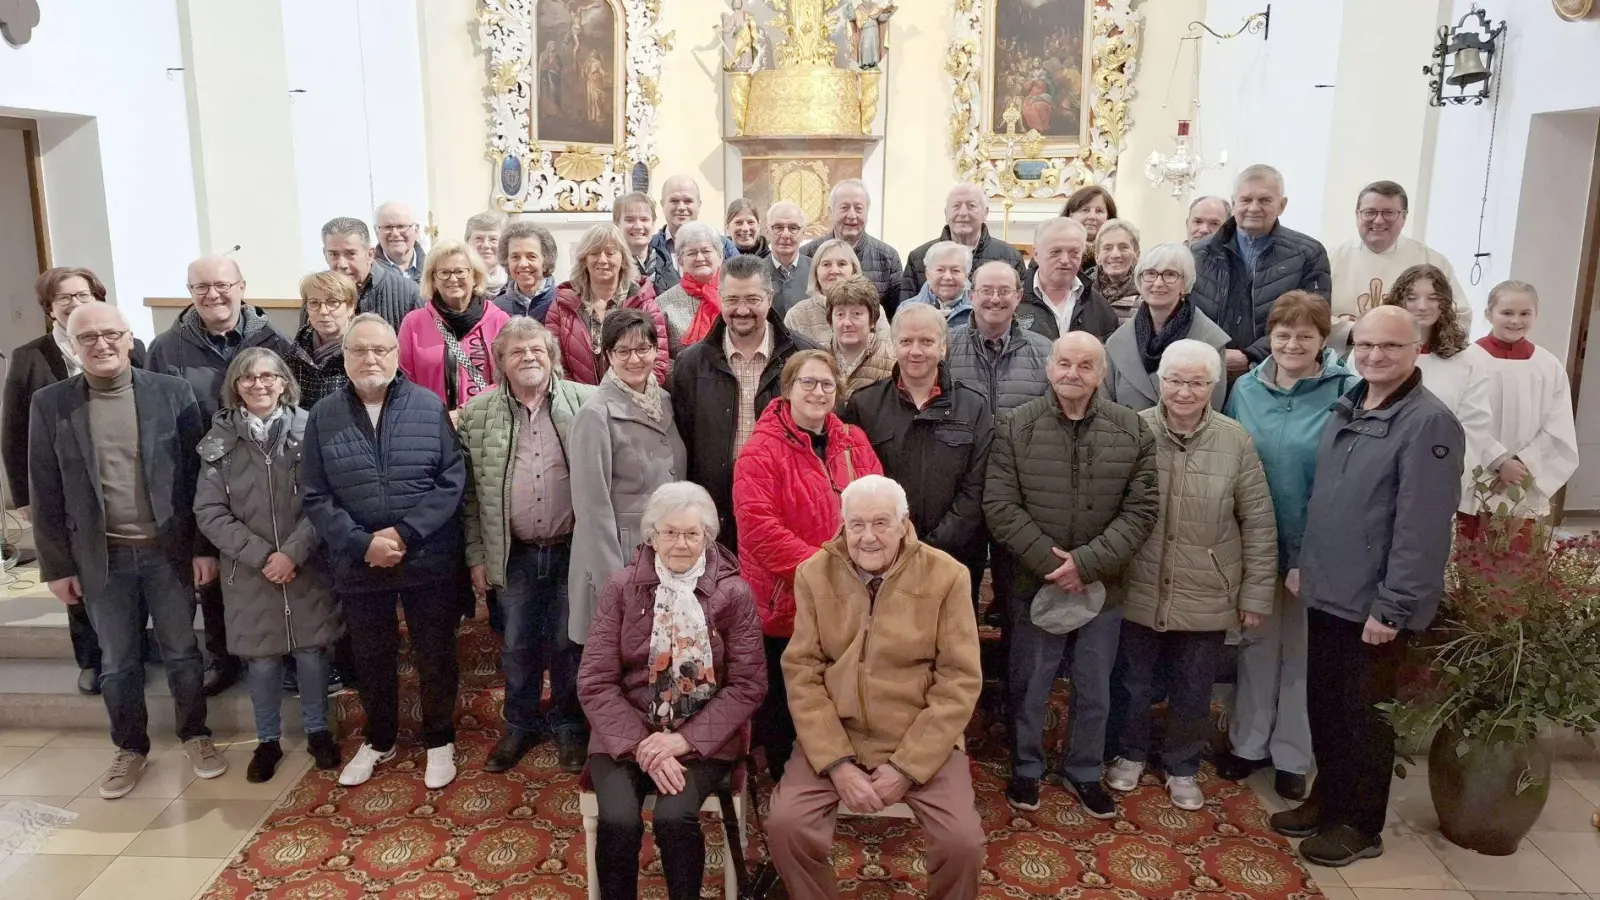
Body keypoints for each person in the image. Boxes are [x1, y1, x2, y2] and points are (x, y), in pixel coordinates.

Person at [1270, 306, 1463, 867]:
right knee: (1325, 705)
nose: (1376, 355)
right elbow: (1325, 499)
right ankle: (1328, 802)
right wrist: (1305, 561)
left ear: (1416, 350)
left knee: (1365, 716)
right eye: (1366, 345)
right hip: (1329, 588)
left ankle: (1360, 823)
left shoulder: (1429, 423)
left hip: (1376, 605)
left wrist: (1394, 606)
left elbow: (1422, 527)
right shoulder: (1350, 405)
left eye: (1391, 347)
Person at [29, 303, 227, 798]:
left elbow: (197, 478)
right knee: (117, 662)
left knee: (183, 653)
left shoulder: (172, 392)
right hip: (101, 559)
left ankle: (196, 735)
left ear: (129, 336)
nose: (101, 344)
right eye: (87, 337)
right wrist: (56, 566)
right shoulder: (51, 404)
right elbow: (44, 490)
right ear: (71, 346)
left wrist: (204, 548)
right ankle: (130, 748)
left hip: (170, 553)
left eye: (110, 334)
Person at [770, 475, 984, 900]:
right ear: (843, 526)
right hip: (837, 736)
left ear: (904, 524)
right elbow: (803, 673)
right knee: (785, 826)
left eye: (881, 523)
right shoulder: (814, 574)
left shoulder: (947, 576)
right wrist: (836, 763)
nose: (868, 537)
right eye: (857, 525)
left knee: (963, 843)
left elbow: (959, 680)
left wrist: (906, 768)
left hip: (919, 738)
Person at [984, 331, 1158, 819]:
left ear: (1101, 373)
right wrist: (1051, 563)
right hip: (1033, 583)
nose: (1073, 373)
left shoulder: (1130, 430)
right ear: (1049, 367)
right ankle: (1026, 767)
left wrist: (1087, 563)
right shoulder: (1015, 427)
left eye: (1086, 365)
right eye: (1065, 363)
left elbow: (1142, 510)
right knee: (1031, 683)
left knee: (1095, 685)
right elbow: (1000, 504)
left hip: (1103, 587)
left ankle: (1084, 771)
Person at [1104, 340, 1276, 811]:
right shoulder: (1133, 430)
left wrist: (1256, 594)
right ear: (1160, 381)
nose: (1184, 392)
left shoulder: (1234, 439)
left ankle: (1182, 766)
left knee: (1193, 686)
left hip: (1208, 586)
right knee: (1133, 680)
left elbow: (1258, 521)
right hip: (1140, 579)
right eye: (1175, 380)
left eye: (1197, 382)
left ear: (1213, 387)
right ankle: (1130, 753)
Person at [577, 482, 766, 900]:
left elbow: (748, 684)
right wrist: (643, 743)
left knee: (674, 817)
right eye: (669, 532)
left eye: (692, 534)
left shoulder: (733, 592)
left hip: (703, 735)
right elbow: (594, 682)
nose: (681, 543)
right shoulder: (622, 587)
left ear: (708, 537)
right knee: (621, 819)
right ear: (652, 536)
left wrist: (683, 740)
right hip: (624, 732)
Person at [301, 314, 467, 790]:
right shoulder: (323, 414)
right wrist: (362, 543)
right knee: (371, 657)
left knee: (435, 653)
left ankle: (439, 738)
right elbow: (314, 494)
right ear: (344, 356)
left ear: (397, 355)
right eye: (360, 350)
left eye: (381, 350)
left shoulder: (427, 404)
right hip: (358, 562)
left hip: (426, 557)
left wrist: (405, 533)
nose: (371, 358)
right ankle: (379, 738)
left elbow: (451, 479)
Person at [1218, 294, 1357, 804]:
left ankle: (1293, 756)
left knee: (1301, 652)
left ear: (1324, 340)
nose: (1292, 344)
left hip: (1315, 544)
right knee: (1255, 644)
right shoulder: (1245, 390)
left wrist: (1305, 556)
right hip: (1254, 542)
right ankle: (1247, 743)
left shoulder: (1347, 393)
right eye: (1282, 335)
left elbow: (1345, 479)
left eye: (1304, 335)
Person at [147, 256, 298, 696]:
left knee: (276, 561)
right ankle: (223, 656)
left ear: (241, 286)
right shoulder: (166, 349)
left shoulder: (274, 340)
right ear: (190, 292)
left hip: (271, 471)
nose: (213, 294)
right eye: (201, 287)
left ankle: (286, 651)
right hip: (203, 476)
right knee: (214, 571)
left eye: (221, 285)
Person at [193, 348, 343, 782]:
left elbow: (326, 497)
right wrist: (263, 556)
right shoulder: (220, 439)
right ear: (235, 386)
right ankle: (268, 740)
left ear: (283, 382)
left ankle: (318, 732)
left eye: (268, 376)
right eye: (248, 378)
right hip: (250, 569)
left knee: (313, 652)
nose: (259, 385)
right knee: (261, 659)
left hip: (306, 562)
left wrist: (292, 552)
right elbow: (209, 511)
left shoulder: (310, 427)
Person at [733, 350, 883, 780]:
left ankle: (832, 771)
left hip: (849, 598)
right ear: (788, 390)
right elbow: (759, 530)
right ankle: (783, 777)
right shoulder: (760, 450)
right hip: (788, 603)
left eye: (827, 385)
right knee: (786, 699)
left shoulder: (853, 441)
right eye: (808, 383)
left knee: (835, 691)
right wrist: (827, 572)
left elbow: (880, 505)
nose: (818, 392)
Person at [459, 317, 596, 774]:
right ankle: (519, 725)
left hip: (572, 548)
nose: (529, 358)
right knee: (517, 645)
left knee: (567, 642)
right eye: (517, 352)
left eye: (537, 349)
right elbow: (471, 496)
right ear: (501, 363)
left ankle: (569, 726)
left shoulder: (586, 402)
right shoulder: (478, 415)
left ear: (552, 355)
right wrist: (477, 556)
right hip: (513, 552)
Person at [3, 267, 147, 695]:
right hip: (64, 484)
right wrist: (23, 494)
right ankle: (91, 657)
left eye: (82, 294)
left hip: (118, 479)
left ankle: (134, 647)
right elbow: (14, 430)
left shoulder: (128, 346)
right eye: (62, 298)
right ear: (49, 307)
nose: (73, 303)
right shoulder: (31, 355)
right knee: (81, 573)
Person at [843, 303, 993, 596]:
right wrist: (896, 544)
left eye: (926, 341)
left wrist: (932, 546)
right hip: (882, 559)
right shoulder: (865, 406)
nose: (915, 351)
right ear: (894, 345)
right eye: (906, 341)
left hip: (955, 557)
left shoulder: (973, 406)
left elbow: (978, 486)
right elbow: (854, 484)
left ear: (943, 348)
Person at [670, 254, 817, 551]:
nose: (742, 309)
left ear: (769, 297)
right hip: (714, 511)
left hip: (784, 508)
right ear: (720, 297)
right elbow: (683, 441)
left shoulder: (804, 357)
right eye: (732, 299)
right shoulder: (691, 363)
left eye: (752, 299)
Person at [569, 309, 688, 658]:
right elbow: (592, 508)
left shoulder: (665, 401)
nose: (635, 359)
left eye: (644, 348)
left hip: (667, 552)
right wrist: (614, 583)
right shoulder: (595, 414)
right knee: (621, 669)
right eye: (623, 351)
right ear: (608, 355)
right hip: (621, 556)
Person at [1456, 281, 1579, 541]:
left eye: (1525, 313)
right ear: (1489, 314)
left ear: (1536, 314)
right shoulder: (1466, 360)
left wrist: (1522, 465)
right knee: (1473, 558)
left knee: (1516, 562)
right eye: (1507, 313)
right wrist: (1499, 462)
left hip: (1525, 478)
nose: (1515, 321)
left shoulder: (1548, 365)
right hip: (1478, 474)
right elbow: (1461, 419)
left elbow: (1558, 425)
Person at [1189, 164, 1332, 373]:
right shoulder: (1199, 254)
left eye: (1265, 200)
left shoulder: (1308, 253)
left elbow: (1316, 320)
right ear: (1234, 203)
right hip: (1206, 369)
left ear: (1282, 205)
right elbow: (1184, 314)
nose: (1254, 208)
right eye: (1246, 200)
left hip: (1276, 372)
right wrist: (1213, 355)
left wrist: (1251, 355)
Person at [1380, 264, 1496, 489]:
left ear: (1444, 304)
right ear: (1397, 301)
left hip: (1437, 472)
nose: (1422, 307)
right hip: (1379, 470)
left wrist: (1445, 470)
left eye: (1433, 298)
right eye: (1411, 298)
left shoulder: (1466, 359)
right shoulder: (1373, 350)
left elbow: (1473, 424)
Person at [1103, 242, 1230, 411]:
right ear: (1139, 281)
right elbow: (1106, 409)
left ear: (1185, 283)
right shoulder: (1117, 342)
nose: (1158, 283)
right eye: (1150, 274)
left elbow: (1212, 412)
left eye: (1170, 275)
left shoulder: (1211, 340)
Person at [1328, 181, 1470, 328]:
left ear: (1404, 216)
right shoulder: (1330, 259)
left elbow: (1459, 315)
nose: (1378, 220)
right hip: (1341, 349)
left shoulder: (1431, 261)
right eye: (1370, 212)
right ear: (1357, 215)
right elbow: (1313, 314)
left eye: (1388, 213)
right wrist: (1350, 331)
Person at [545, 224, 671, 386]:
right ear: (584, 259)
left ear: (623, 259)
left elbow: (658, 362)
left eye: (610, 253)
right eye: (595, 253)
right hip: (578, 406)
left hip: (631, 405)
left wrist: (622, 399)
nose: (602, 260)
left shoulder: (643, 303)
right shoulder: (562, 305)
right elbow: (554, 361)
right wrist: (582, 400)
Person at [397, 240, 511, 414]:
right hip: (432, 424)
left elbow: (509, 379)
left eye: (460, 271)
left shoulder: (499, 321)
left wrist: (463, 413)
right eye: (444, 272)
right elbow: (404, 382)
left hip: (487, 425)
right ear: (433, 279)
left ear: (475, 277)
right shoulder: (414, 323)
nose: (453, 279)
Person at [900, 184, 1026, 299]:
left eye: (971, 206)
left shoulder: (1010, 257)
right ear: (946, 213)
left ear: (985, 213)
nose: (963, 213)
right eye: (956, 206)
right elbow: (906, 312)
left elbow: (1021, 309)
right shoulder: (919, 257)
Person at [800, 180, 903, 315]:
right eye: (844, 208)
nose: (852, 215)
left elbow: (895, 316)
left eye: (859, 208)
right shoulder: (807, 254)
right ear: (831, 212)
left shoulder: (888, 258)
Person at [1016, 217, 1118, 343]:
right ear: (1036, 254)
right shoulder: (1014, 301)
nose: (1065, 260)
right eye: (1055, 252)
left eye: (1074, 252)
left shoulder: (1098, 305)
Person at [318, 217, 423, 332]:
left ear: (370, 254)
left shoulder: (408, 294)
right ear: (324, 254)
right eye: (333, 254)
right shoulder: (317, 294)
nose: (342, 264)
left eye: (350, 254)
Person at [784, 238, 887, 345]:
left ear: (854, 270)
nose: (834, 271)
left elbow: (887, 353)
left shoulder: (873, 309)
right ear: (815, 272)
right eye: (826, 264)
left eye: (842, 264)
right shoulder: (796, 316)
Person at [651, 222, 724, 356]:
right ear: (680, 261)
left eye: (706, 251)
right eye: (691, 253)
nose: (700, 258)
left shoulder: (736, 295)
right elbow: (659, 357)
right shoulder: (662, 304)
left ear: (720, 256)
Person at [289, 271, 358, 409]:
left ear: (350, 307)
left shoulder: (363, 350)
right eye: (314, 303)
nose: (323, 311)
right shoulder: (295, 350)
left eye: (333, 302)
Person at [825, 275, 895, 403]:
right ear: (830, 321)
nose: (847, 322)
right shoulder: (818, 359)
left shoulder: (893, 364)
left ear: (872, 320)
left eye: (856, 314)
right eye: (840, 314)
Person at [649, 175, 738, 267]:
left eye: (688, 201)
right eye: (674, 201)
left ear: (699, 204)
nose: (681, 207)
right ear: (662, 204)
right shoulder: (649, 248)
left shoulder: (723, 246)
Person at [492, 220, 559, 321]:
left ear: (545, 261)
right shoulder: (495, 309)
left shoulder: (562, 304)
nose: (523, 264)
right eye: (515, 257)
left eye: (531, 256)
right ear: (507, 261)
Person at [616, 191, 679, 296]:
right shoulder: (610, 265)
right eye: (630, 220)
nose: (638, 226)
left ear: (653, 223)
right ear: (617, 224)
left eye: (644, 219)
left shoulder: (667, 260)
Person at [901, 241, 974, 328]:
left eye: (955, 270)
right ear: (928, 274)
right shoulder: (907, 310)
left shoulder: (979, 311)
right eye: (940, 270)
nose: (947, 277)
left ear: (966, 275)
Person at [765, 201, 813, 315]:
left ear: (803, 233)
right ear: (767, 232)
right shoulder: (755, 273)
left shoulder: (816, 271)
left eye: (793, 228)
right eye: (778, 227)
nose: (785, 235)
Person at [1093, 219, 1142, 323]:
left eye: (1123, 247)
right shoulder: (1080, 293)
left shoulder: (1148, 294)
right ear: (1097, 256)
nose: (1115, 255)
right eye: (1107, 248)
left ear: (1137, 254)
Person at [375, 201, 426, 283]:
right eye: (388, 227)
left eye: (401, 226)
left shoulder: (435, 270)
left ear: (416, 230)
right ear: (377, 232)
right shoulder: (368, 275)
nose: (395, 233)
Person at [1061, 184, 1116, 256]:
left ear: (1109, 218)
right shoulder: (1052, 247)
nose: (1092, 216)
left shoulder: (1117, 254)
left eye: (1099, 211)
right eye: (1085, 210)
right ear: (1071, 215)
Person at [465, 210, 510, 293]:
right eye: (478, 238)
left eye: (493, 239)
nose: (486, 245)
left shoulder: (515, 282)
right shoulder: (458, 282)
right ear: (467, 243)